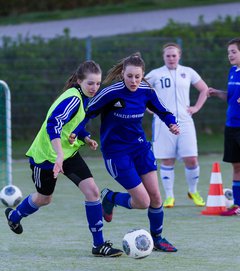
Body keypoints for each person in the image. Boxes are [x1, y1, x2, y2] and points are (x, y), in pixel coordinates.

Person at [4, 60, 123, 257]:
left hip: (67, 153)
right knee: (44, 198)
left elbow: (73, 123)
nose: (94, 88)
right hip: (46, 157)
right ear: (79, 81)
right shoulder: (73, 98)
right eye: (90, 83)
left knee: (93, 192)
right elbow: (54, 125)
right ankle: (15, 216)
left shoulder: (85, 98)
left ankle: (99, 245)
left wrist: (85, 138)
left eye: (98, 83)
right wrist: (58, 155)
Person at [70, 53, 180, 252]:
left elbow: (163, 111)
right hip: (117, 153)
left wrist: (171, 123)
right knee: (142, 202)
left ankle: (157, 239)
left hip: (140, 148)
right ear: (123, 74)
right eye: (130, 76)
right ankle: (110, 197)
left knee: (155, 197)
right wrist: (76, 132)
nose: (134, 81)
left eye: (138, 76)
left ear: (143, 75)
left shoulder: (146, 91)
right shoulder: (111, 93)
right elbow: (87, 113)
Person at [146, 42, 209, 208]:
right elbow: (139, 90)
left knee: (192, 159)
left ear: (179, 56)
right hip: (163, 122)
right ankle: (169, 196)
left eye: (174, 55)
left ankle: (193, 191)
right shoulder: (156, 74)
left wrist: (196, 107)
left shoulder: (187, 72)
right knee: (167, 160)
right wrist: (149, 108)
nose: (171, 58)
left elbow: (204, 89)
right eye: (168, 55)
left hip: (185, 121)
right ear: (163, 57)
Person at [208, 37, 240, 216]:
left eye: (234, 51)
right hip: (231, 126)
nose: (230, 55)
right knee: (236, 166)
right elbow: (232, 98)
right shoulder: (233, 71)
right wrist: (216, 93)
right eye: (229, 52)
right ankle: (237, 206)